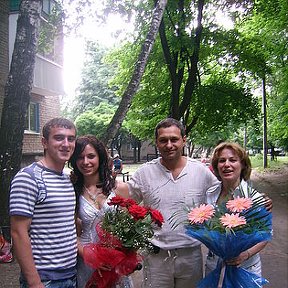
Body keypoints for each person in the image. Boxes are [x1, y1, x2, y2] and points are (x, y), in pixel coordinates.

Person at [116, 118, 221, 288]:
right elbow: (124, 203)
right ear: (157, 143)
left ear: (184, 140)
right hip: (156, 256)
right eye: (163, 140)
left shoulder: (201, 172)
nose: (169, 144)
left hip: (190, 255)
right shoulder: (144, 173)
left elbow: (224, 198)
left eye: (174, 139)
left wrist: (258, 202)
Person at [9, 117, 77, 288]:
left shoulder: (68, 178)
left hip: (71, 274)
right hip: (45, 278)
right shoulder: (28, 177)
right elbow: (18, 232)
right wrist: (34, 282)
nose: (66, 144)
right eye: (59, 138)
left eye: (71, 138)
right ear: (44, 142)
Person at [68, 135, 133, 288]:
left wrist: (124, 255)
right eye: (80, 157)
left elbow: (128, 229)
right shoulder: (72, 191)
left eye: (91, 156)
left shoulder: (119, 189)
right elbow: (70, 233)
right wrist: (89, 255)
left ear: (100, 157)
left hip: (115, 260)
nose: (85, 162)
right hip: (87, 259)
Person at [205, 141, 271, 277]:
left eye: (233, 160)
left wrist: (244, 255)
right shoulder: (210, 194)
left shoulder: (255, 198)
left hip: (245, 269)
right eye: (222, 161)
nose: (226, 164)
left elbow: (265, 235)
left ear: (242, 165)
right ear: (217, 167)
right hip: (214, 267)